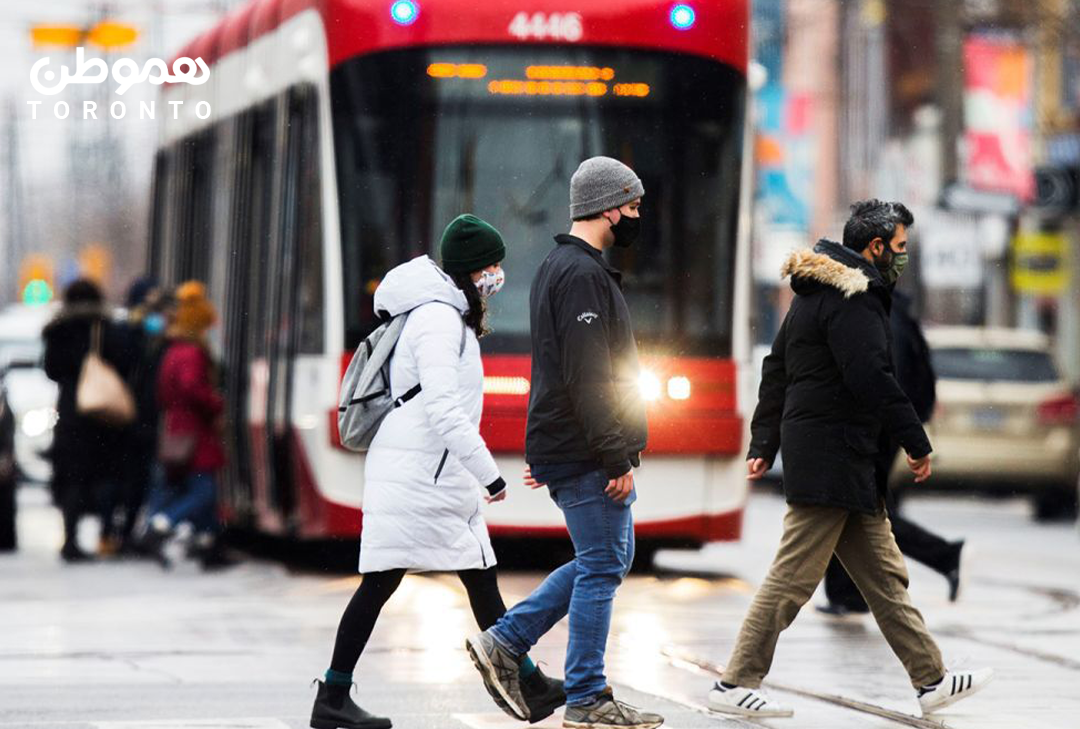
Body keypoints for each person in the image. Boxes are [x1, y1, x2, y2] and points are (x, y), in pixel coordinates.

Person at [706, 200, 992, 720]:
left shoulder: (816, 293)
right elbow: (871, 378)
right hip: (831, 458)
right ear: (875, 247)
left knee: (885, 578)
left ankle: (930, 678)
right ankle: (735, 682)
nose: (903, 257)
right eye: (899, 247)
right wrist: (915, 440)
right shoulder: (853, 297)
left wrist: (764, 443)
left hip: (842, 457)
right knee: (793, 578)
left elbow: (777, 369)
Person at [310, 215, 564, 729]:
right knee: (387, 581)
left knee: (475, 573)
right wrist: (490, 474)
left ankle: (529, 682)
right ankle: (333, 696)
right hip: (420, 475)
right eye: (491, 266)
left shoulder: (447, 315)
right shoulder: (438, 320)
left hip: (429, 472)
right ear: (471, 269)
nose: (496, 276)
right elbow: (444, 408)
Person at [465, 158, 663, 729]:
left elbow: (555, 368)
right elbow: (587, 374)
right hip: (588, 448)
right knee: (602, 564)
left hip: (572, 443)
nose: (637, 217)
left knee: (607, 558)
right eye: (633, 206)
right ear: (609, 207)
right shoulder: (579, 274)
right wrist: (613, 454)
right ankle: (586, 696)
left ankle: (507, 642)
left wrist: (547, 445)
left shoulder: (563, 266)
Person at [820, 289, 964, 615]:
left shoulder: (878, 311)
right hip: (883, 426)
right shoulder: (892, 309)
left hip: (876, 428)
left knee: (863, 510)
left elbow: (883, 379)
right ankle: (849, 594)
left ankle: (944, 556)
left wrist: (906, 435)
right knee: (859, 507)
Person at [142, 281, 231, 570]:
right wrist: (215, 402)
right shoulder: (192, 353)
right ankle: (162, 524)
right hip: (195, 431)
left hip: (178, 427)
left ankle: (209, 546)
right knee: (204, 492)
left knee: (199, 491)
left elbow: (162, 392)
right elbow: (192, 387)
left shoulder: (173, 350)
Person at [43, 279, 133, 563]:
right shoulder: (106, 327)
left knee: (73, 479)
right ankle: (106, 535)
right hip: (102, 414)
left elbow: (51, 370)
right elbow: (124, 362)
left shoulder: (57, 330)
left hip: (71, 414)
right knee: (106, 475)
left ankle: (70, 538)